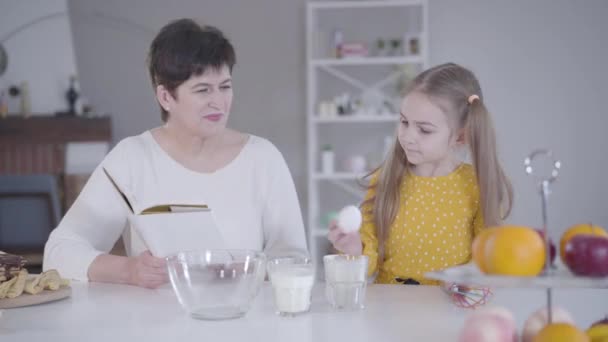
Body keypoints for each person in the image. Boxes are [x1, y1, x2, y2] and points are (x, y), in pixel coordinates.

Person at [44, 18, 307, 288]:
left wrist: (252, 268)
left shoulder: (263, 158)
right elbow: (59, 252)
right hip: (154, 325)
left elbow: (295, 260)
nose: (219, 101)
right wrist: (128, 270)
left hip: (245, 321)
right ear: (166, 97)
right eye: (203, 90)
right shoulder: (132, 158)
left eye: (225, 86)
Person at [328, 63, 513, 285]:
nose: (407, 136)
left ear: (460, 137)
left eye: (424, 130)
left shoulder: (476, 186)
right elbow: (367, 264)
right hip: (387, 311)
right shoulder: (386, 180)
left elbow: (485, 262)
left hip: (448, 313)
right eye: (404, 122)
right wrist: (353, 249)